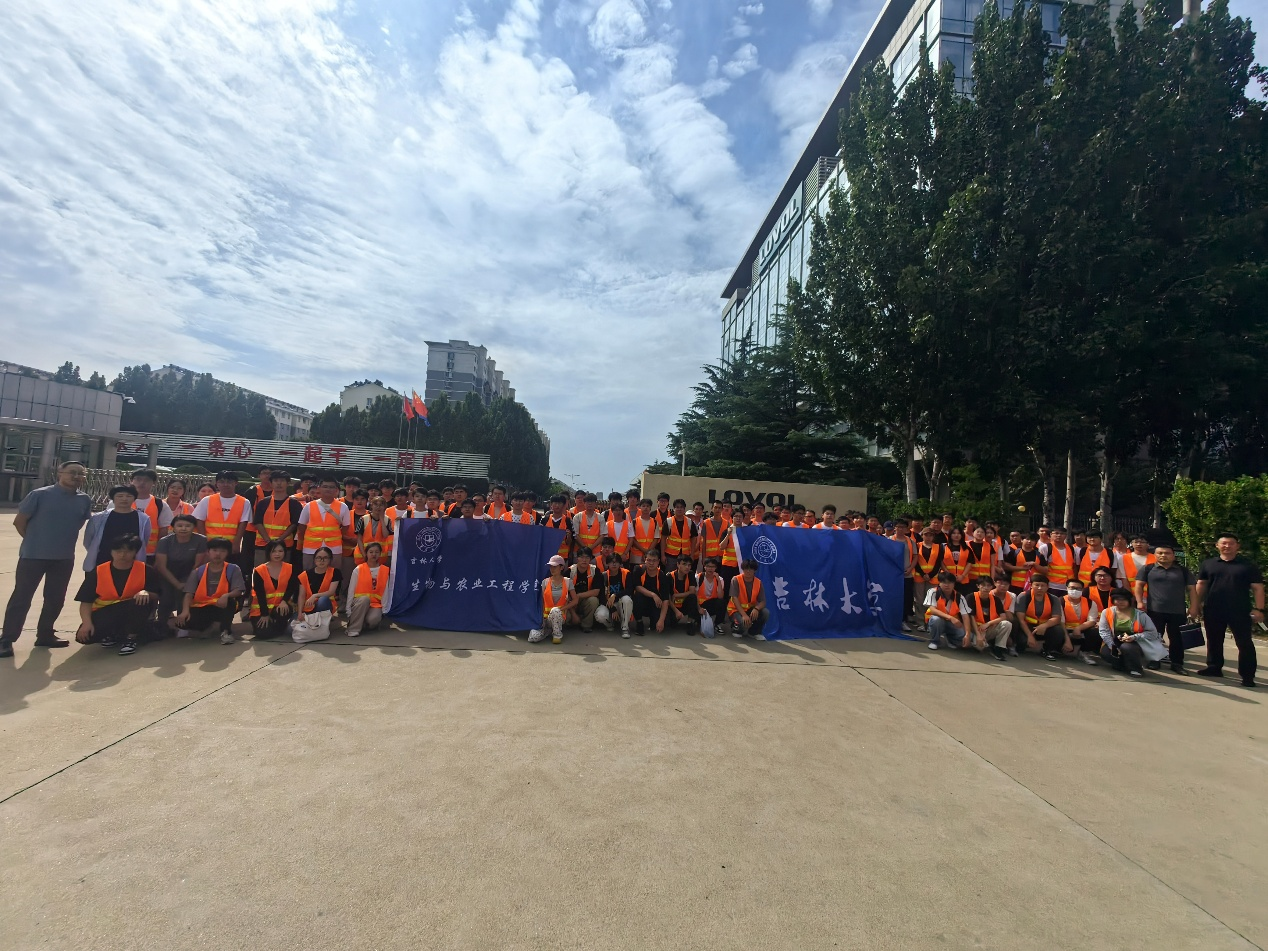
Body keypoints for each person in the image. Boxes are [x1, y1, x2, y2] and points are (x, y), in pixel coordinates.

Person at [1, 461, 93, 657]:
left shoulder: (84, 499)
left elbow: (78, 523)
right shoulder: (39, 495)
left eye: (81, 473)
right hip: (33, 556)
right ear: (60, 473)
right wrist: (35, 541)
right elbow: (19, 522)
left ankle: (45, 634)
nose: (76, 476)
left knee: (55, 598)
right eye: (72, 472)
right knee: (21, 598)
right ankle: (7, 639)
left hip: (64, 558)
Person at [73, 534, 163, 655]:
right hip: (107, 611)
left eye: (128, 551)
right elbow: (85, 601)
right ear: (111, 551)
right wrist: (86, 623)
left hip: (134, 610)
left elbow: (158, 594)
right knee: (85, 637)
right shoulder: (99, 571)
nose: (122, 555)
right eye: (118, 551)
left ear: (135, 552)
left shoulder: (146, 570)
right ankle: (112, 634)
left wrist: (146, 592)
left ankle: (131, 638)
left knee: (140, 602)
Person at [1193, 532, 1264, 687]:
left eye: (1231, 543)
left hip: (1240, 610)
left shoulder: (1248, 565)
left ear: (1237, 546)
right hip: (1213, 608)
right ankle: (1214, 667)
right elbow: (1201, 584)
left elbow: (1258, 588)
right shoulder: (1209, 564)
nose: (1227, 546)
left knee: (1244, 643)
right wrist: (1195, 604)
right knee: (1214, 640)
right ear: (1217, 546)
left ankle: (1247, 675)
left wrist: (1259, 609)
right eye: (1223, 543)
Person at [1135, 544, 1198, 675]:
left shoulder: (1182, 571)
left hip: (1178, 610)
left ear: (1173, 555)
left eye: (1167, 553)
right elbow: (1139, 586)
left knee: (1177, 638)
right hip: (1155, 609)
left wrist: (1193, 607)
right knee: (1155, 636)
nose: (1163, 555)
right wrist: (1140, 602)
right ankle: (1154, 660)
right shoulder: (1148, 569)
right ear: (1155, 555)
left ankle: (1177, 663)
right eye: (1160, 553)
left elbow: (1192, 589)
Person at [178, 538, 246, 644]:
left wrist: (226, 595)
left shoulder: (233, 569)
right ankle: (207, 626)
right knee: (183, 621)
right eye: (214, 550)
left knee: (230, 602)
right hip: (202, 607)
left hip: (222, 605)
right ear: (208, 552)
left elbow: (239, 590)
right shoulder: (198, 571)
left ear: (227, 553)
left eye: (222, 551)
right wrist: (185, 611)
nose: (218, 554)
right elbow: (188, 594)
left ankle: (226, 631)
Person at [153, 514, 208, 636]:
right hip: (167, 574)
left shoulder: (201, 540)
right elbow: (161, 566)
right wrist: (176, 583)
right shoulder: (164, 541)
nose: (183, 528)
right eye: (180, 525)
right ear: (173, 527)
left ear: (194, 527)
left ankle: (183, 626)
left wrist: (188, 581)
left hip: (190, 574)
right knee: (166, 598)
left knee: (183, 595)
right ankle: (161, 626)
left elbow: (198, 564)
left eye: (188, 526)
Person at [1098, 588, 1166, 677]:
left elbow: (1152, 633)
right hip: (1116, 640)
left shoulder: (1140, 615)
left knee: (1127, 647)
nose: (1120, 602)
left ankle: (1135, 669)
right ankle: (1122, 665)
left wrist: (1134, 637)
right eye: (1117, 599)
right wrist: (1112, 646)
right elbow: (1104, 631)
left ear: (1129, 601)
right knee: (1106, 652)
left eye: (1124, 600)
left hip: (1136, 642)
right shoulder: (1107, 612)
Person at [83, 485, 151, 569]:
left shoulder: (143, 519)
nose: (124, 499)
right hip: (102, 560)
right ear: (113, 498)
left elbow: (145, 539)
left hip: (131, 563)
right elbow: (88, 541)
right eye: (120, 496)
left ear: (134, 498)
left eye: (129, 496)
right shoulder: (98, 518)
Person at [296, 477, 353, 573]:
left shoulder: (343, 507)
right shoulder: (309, 506)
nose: (328, 489)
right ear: (319, 488)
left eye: (331, 487)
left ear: (336, 490)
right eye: (325, 486)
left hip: (334, 548)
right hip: (311, 547)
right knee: (309, 574)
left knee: (334, 574)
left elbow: (346, 526)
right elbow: (301, 526)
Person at [116, 469, 171, 559]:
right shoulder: (118, 501)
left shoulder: (160, 505)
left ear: (154, 483)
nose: (142, 483)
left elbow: (163, 531)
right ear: (131, 481)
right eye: (138, 479)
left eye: (146, 480)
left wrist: (160, 554)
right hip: (121, 552)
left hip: (149, 553)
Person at [192, 471, 250, 557]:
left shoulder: (244, 502)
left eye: (229, 481)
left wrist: (236, 543)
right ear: (217, 484)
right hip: (210, 545)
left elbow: (243, 524)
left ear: (236, 483)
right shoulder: (207, 500)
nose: (225, 484)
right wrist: (204, 541)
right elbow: (199, 520)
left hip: (230, 546)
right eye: (222, 482)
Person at [253, 470, 302, 566]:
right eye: (275, 481)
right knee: (261, 571)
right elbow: (258, 522)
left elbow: (294, 524)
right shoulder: (263, 503)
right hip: (262, 545)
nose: (279, 483)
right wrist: (268, 540)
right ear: (271, 483)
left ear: (288, 483)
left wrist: (279, 541)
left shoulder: (294, 504)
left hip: (284, 546)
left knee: (283, 572)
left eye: (282, 480)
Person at [250, 541, 297, 640]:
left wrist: (284, 601)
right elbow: (260, 593)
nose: (277, 554)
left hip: (280, 606)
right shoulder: (259, 570)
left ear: (285, 552)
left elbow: (291, 588)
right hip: (261, 609)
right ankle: (269, 626)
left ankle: (280, 625)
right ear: (268, 553)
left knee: (283, 612)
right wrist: (265, 614)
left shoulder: (290, 568)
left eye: (280, 551)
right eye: (273, 551)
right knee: (263, 634)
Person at [346, 542, 391, 637]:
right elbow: (351, 590)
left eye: (376, 552)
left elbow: (385, 592)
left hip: (375, 605)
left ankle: (361, 623)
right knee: (365, 599)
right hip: (359, 603)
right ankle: (353, 629)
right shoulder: (358, 569)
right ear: (366, 553)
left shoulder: (384, 570)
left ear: (380, 554)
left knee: (373, 620)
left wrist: (384, 610)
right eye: (371, 552)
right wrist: (348, 609)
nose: (374, 554)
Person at [1014, 574, 1064, 658]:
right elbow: (1021, 619)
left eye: (1043, 586)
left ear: (1047, 587)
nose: (1040, 588)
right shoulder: (1023, 596)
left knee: (1058, 631)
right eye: (1037, 585)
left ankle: (1047, 650)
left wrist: (1044, 626)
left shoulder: (1054, 599)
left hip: (1044, 627)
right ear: (1031, 585)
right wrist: (1030, 636)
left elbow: (1057, 618)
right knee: (1023, 640)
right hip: (1027, 626)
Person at [531, 555, 576, 644]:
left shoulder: (567, 581)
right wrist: (541, 619)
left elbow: (575, 600)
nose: (552, 569)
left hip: (560, 616)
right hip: (546, 617)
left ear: (561, 568)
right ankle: (548, 630)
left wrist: (562, 609)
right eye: (551, 566)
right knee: (533, 637)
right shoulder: (545, 582)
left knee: (555, 611)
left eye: (555, 567)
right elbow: (542, 601)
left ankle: (557, 635)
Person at [968, 575, 1012, 661]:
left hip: (988, 628)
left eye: (988, 585)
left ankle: (998, 649)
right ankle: (983, 642)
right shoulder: (971, 597)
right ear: (978, 586)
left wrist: (988, 624)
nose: (986, 588)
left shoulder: (996, 600)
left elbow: (1003, 617)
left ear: (992, 586)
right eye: (983, 585)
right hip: (975, 629)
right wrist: (978, 635)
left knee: (1007, 624)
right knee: (979, 647)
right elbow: (971, 617)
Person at [924, 571, 971, 650]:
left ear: (954, 584)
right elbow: (932, 610)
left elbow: (965, 616)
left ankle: (950, 640)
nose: (947, 585)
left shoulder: (959, 597)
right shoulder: (933, 592)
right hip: (936, 621)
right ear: (939, 583)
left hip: (951, 623)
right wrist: (951, 618)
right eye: (944, 582)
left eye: (949, 582)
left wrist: (967, 634)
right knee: (936, 620)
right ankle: (935, 641)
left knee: (964, 636)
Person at [630, 547, 671, 634]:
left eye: (654, 560)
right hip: (641, 601)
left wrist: (661, 620)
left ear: (658, 561)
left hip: (655, 604)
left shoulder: (662, 575)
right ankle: (639, 622)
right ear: (645, 559)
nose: (651, 563)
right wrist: (653, 594)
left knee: (667, 623)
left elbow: (665, 599)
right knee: (637, 595)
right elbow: (637, 587)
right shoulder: (638, 569)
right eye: (649, 560)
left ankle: (654, 621)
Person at [911, 528, 944, 631]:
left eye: (930, 535)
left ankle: (929, 622)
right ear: (922, 536)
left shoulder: (938, 547)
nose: (928, 537)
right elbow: (915, 561)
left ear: (933, 536)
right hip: (919, 576)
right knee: (919, 600)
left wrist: (930, 574)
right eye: (926, 535)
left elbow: (938, 562)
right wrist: (922, 574)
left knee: (931, 601)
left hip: (933, 577)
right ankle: (920, 622)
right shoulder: (917, 545)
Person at [595, 550, 633, 637]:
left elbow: (629, 590)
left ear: (620, 563)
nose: (614, 564)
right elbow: (601, 596)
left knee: (626, 599)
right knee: (600, 615)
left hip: (621, 603)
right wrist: (612, 609)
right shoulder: (603, 576)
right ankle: (610, 624)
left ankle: (625, 627)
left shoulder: (626, 573)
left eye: (616, 562)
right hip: (608, 603)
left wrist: (615, 595)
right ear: (607, 564)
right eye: (611, 562)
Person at [297, 547, 341, 620]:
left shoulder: (335, 572)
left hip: (325, 605)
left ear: (330, 559)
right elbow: (301, 596)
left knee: (323, 600)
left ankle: (323, 620)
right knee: (291, 626)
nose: (322, 561)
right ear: (314, 559)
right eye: (318, 558)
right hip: (308, 606)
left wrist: (315, 596)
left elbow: (331, 592)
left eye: (325, 558)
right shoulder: (304, 575)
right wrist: (299, 613)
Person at [728, 559, 767, 639]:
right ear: (743, 569)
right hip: (735, 610)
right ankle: (736, 629)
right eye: (746, 569)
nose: (748, 571)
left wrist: (756, 608)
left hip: (750, 609)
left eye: (751, 569)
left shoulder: (758, 582)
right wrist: (744, 615)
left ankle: (754, 632)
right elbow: (734, 598)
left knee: (765, 613)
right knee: (742, 622)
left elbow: (763, 601)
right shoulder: (736, 579)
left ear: (755, 571)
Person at [569, 547, 603, 632]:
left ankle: (586, 625)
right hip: (571, 601)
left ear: (590, 559)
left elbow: (596, 592)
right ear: (577, 558)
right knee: (567, 619)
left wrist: (578, 596)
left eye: (587, 557)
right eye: (582, 557)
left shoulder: (595, 570)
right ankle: (573, 620)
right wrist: (573, 613)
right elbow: (564, 594)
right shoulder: (570, 571)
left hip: (585, 599)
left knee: (593, 600)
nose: (584, 560)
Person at [354, 495, 394, 565]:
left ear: (384, 507)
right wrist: (365, 555)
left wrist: (382, 519)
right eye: (376, 504)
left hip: (380, 556)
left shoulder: (387, 520)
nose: (378, 507)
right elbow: (359, 539)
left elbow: (385, 535)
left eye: (381, 505)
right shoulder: (363, 519)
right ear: (371, 506)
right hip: (363, 556)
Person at [695, 558, 728, 636]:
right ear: (704, 567)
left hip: (711, 604)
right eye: (708, 566)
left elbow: (720, 596)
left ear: (715, 568)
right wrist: (699, 608)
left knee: (722, 602)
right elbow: (694, 595)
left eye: (713, 567)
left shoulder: (720, 579)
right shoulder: (698, 577)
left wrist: (718, 580)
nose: (710, 569)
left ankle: (717, 624)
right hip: (699, 605)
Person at [666, 554, 698, 633]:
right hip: (673, 606)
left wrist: (677, 595)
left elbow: (692, 591)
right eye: (684, 564)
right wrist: (676, 611)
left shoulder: (690, 574)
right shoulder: (669, 576)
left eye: (689, 565)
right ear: (678, 564)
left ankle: (690, 623)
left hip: (684, 604)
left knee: (692, 597)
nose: (687, 567)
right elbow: (667, 598)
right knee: (669, 624)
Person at [661, 499, 697, 563]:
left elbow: (694, 538)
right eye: (677, 507)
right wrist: (662, 555)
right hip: (671, 555)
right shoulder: (668, 521)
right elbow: (663, 539)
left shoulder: (689, 522)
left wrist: (692, 555)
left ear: (684, 509)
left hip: (685, 555)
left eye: (681, 507)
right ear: (674, 509)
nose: (679, 509)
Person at [1044, 526, 1077, 596]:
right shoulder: (1046, 548)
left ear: (1065, 535)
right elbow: (1042, 567)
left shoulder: (1071, 548)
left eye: (1062, 533)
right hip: (1052, 586)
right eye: (1056, 533)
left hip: (1068, 586)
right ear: (1051, 535)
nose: (1059, 535)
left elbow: (1074, 566)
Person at [630, 498, 661, 567]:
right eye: (643, 506)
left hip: (651, 556)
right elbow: (632, 539)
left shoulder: (655, 522)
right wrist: (644, 550)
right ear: (640, 507)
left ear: (650, 508)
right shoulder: (634, 522)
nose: (645, 508)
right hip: (636, 555)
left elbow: (656, 538)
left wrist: (648, 551)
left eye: (647, 506)